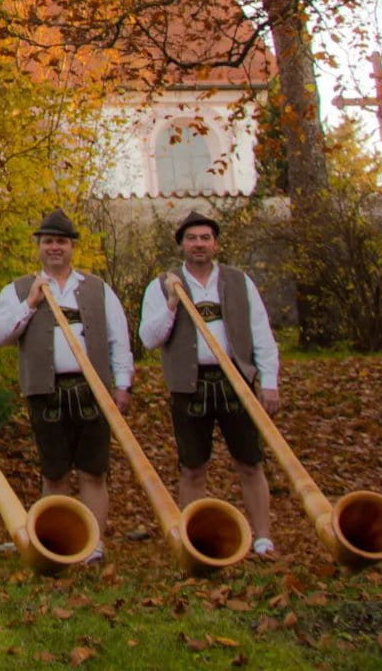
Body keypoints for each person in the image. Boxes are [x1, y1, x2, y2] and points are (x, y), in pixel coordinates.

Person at [0, 210, 133, 564]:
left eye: (62, 242)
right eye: (49, 241)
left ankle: (94, 546)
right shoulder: (18, 289)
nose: (55, 248)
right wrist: (31, 303)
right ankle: (57, 544)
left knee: (93, 471)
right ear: (39, 246)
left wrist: (123, 383)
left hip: (92, 391)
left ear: (72, 247)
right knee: (54, 472)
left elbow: (119, 339)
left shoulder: (97, 289)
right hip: (44, 391)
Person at [138, 211, 280, 557]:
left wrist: (269, 381)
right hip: (189, 384)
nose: (198, 244)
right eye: (191, 238)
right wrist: (172, 304)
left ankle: (262, 537)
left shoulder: (237, 281)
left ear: (215, 244)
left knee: (250, 462)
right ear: (182, 245)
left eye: (204, 238)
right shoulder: (161, 285)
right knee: (192, 466)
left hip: (237, 381)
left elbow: (261, 332)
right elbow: (148, 338)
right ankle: (193, 537)